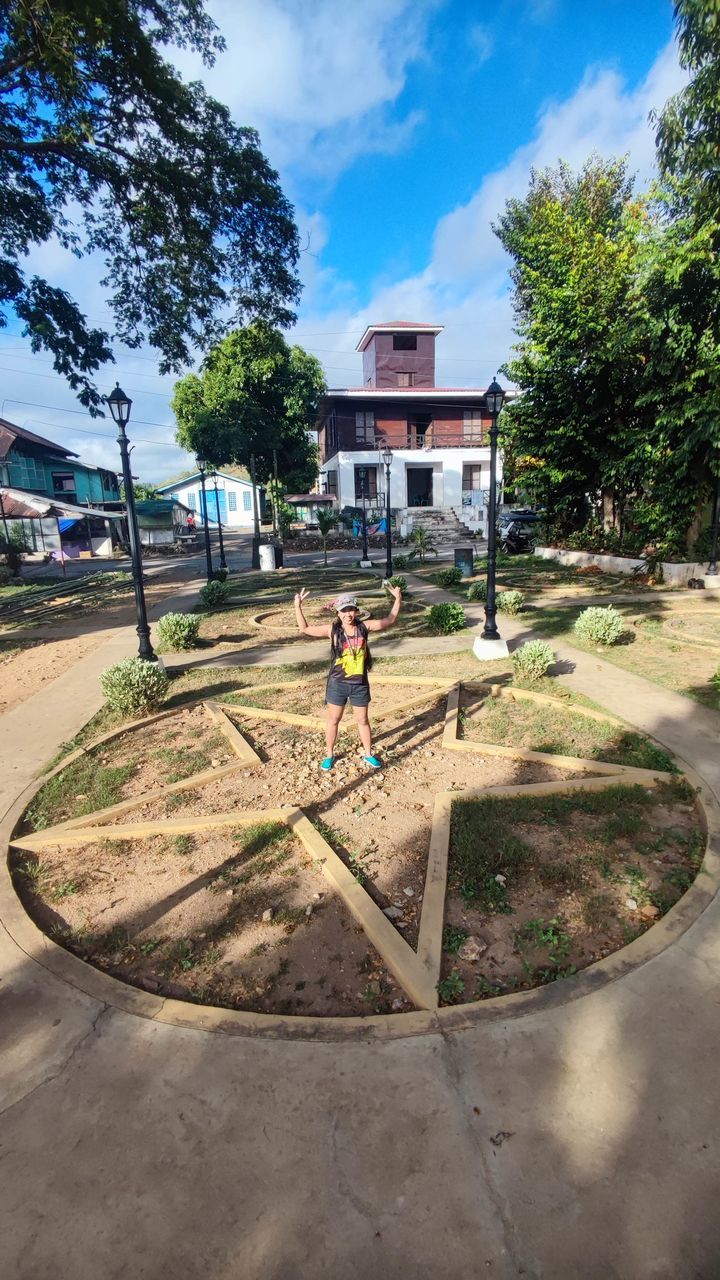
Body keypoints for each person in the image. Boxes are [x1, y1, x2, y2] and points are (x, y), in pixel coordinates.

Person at [293, 585, 402, 771]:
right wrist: (297, 606)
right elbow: (305, 629)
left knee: (363, 720)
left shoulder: (363, 627)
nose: (348, 614)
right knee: (334, 720)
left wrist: (398, 599)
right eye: (344, 610)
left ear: (356, 610)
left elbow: (389, 620)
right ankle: (329, 755)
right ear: (338, 612)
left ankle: (368, 754)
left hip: (359, 684)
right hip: (338, 684)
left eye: (351, 609)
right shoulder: (332, 630)